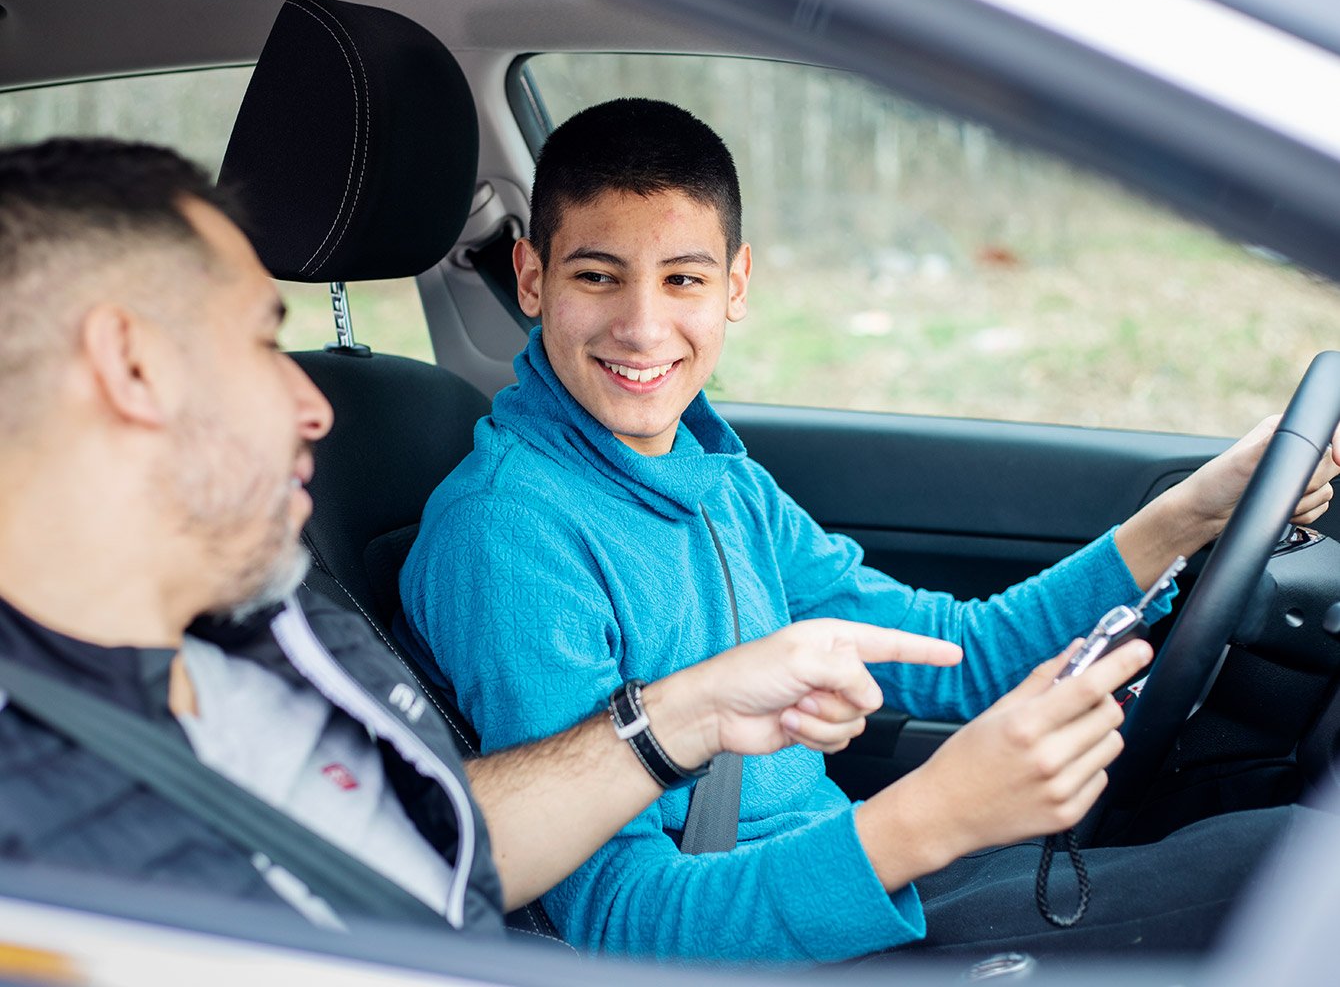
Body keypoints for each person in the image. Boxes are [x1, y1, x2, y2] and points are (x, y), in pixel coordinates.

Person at [399, 98, 1340, 964]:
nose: (644, 327)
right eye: (598, 276)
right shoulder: (507, 537)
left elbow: (954, 653)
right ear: (530, 277)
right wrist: (931, 816)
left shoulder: (718, 481)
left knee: (1285, 842)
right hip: (787, 938)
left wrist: (1190, 515)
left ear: (737, 284)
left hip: (847, 880)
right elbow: (618, 924)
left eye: (682, 278)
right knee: (1300, 871)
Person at [0, 136, 971, 934]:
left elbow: (448, 839)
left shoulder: (274, 634)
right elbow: (602, 910)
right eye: (261, 342)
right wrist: (925, 821)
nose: (311, 405)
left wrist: (692, 711)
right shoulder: (46, 847)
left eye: (683, 278)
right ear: (130, 367)